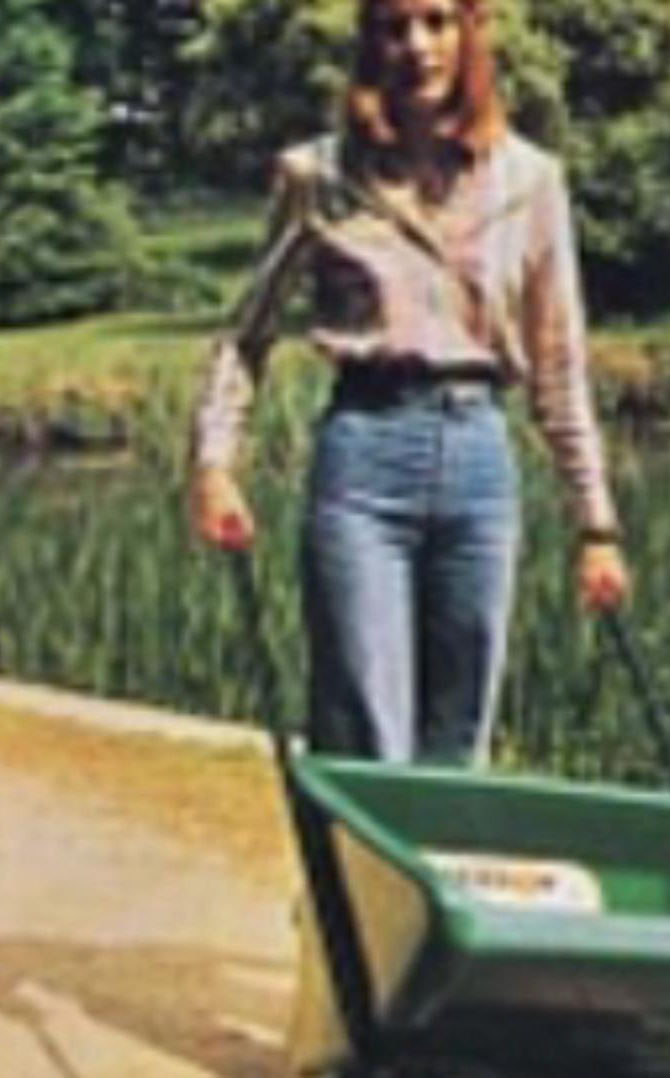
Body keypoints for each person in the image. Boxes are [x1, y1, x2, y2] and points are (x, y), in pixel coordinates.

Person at [190, 0, 630, 769]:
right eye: (394, 27)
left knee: (460, 736)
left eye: (436, 22)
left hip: (479, 463)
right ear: (370, 43)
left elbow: (559, 366)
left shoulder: (530, 182)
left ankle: (434, 891)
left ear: (470, 33)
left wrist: (595, 526)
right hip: (363, 455)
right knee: (365, 730)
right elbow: (245, 334)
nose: (416, 46)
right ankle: (355, 888)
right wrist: (214, 464)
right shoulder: (318, 175)